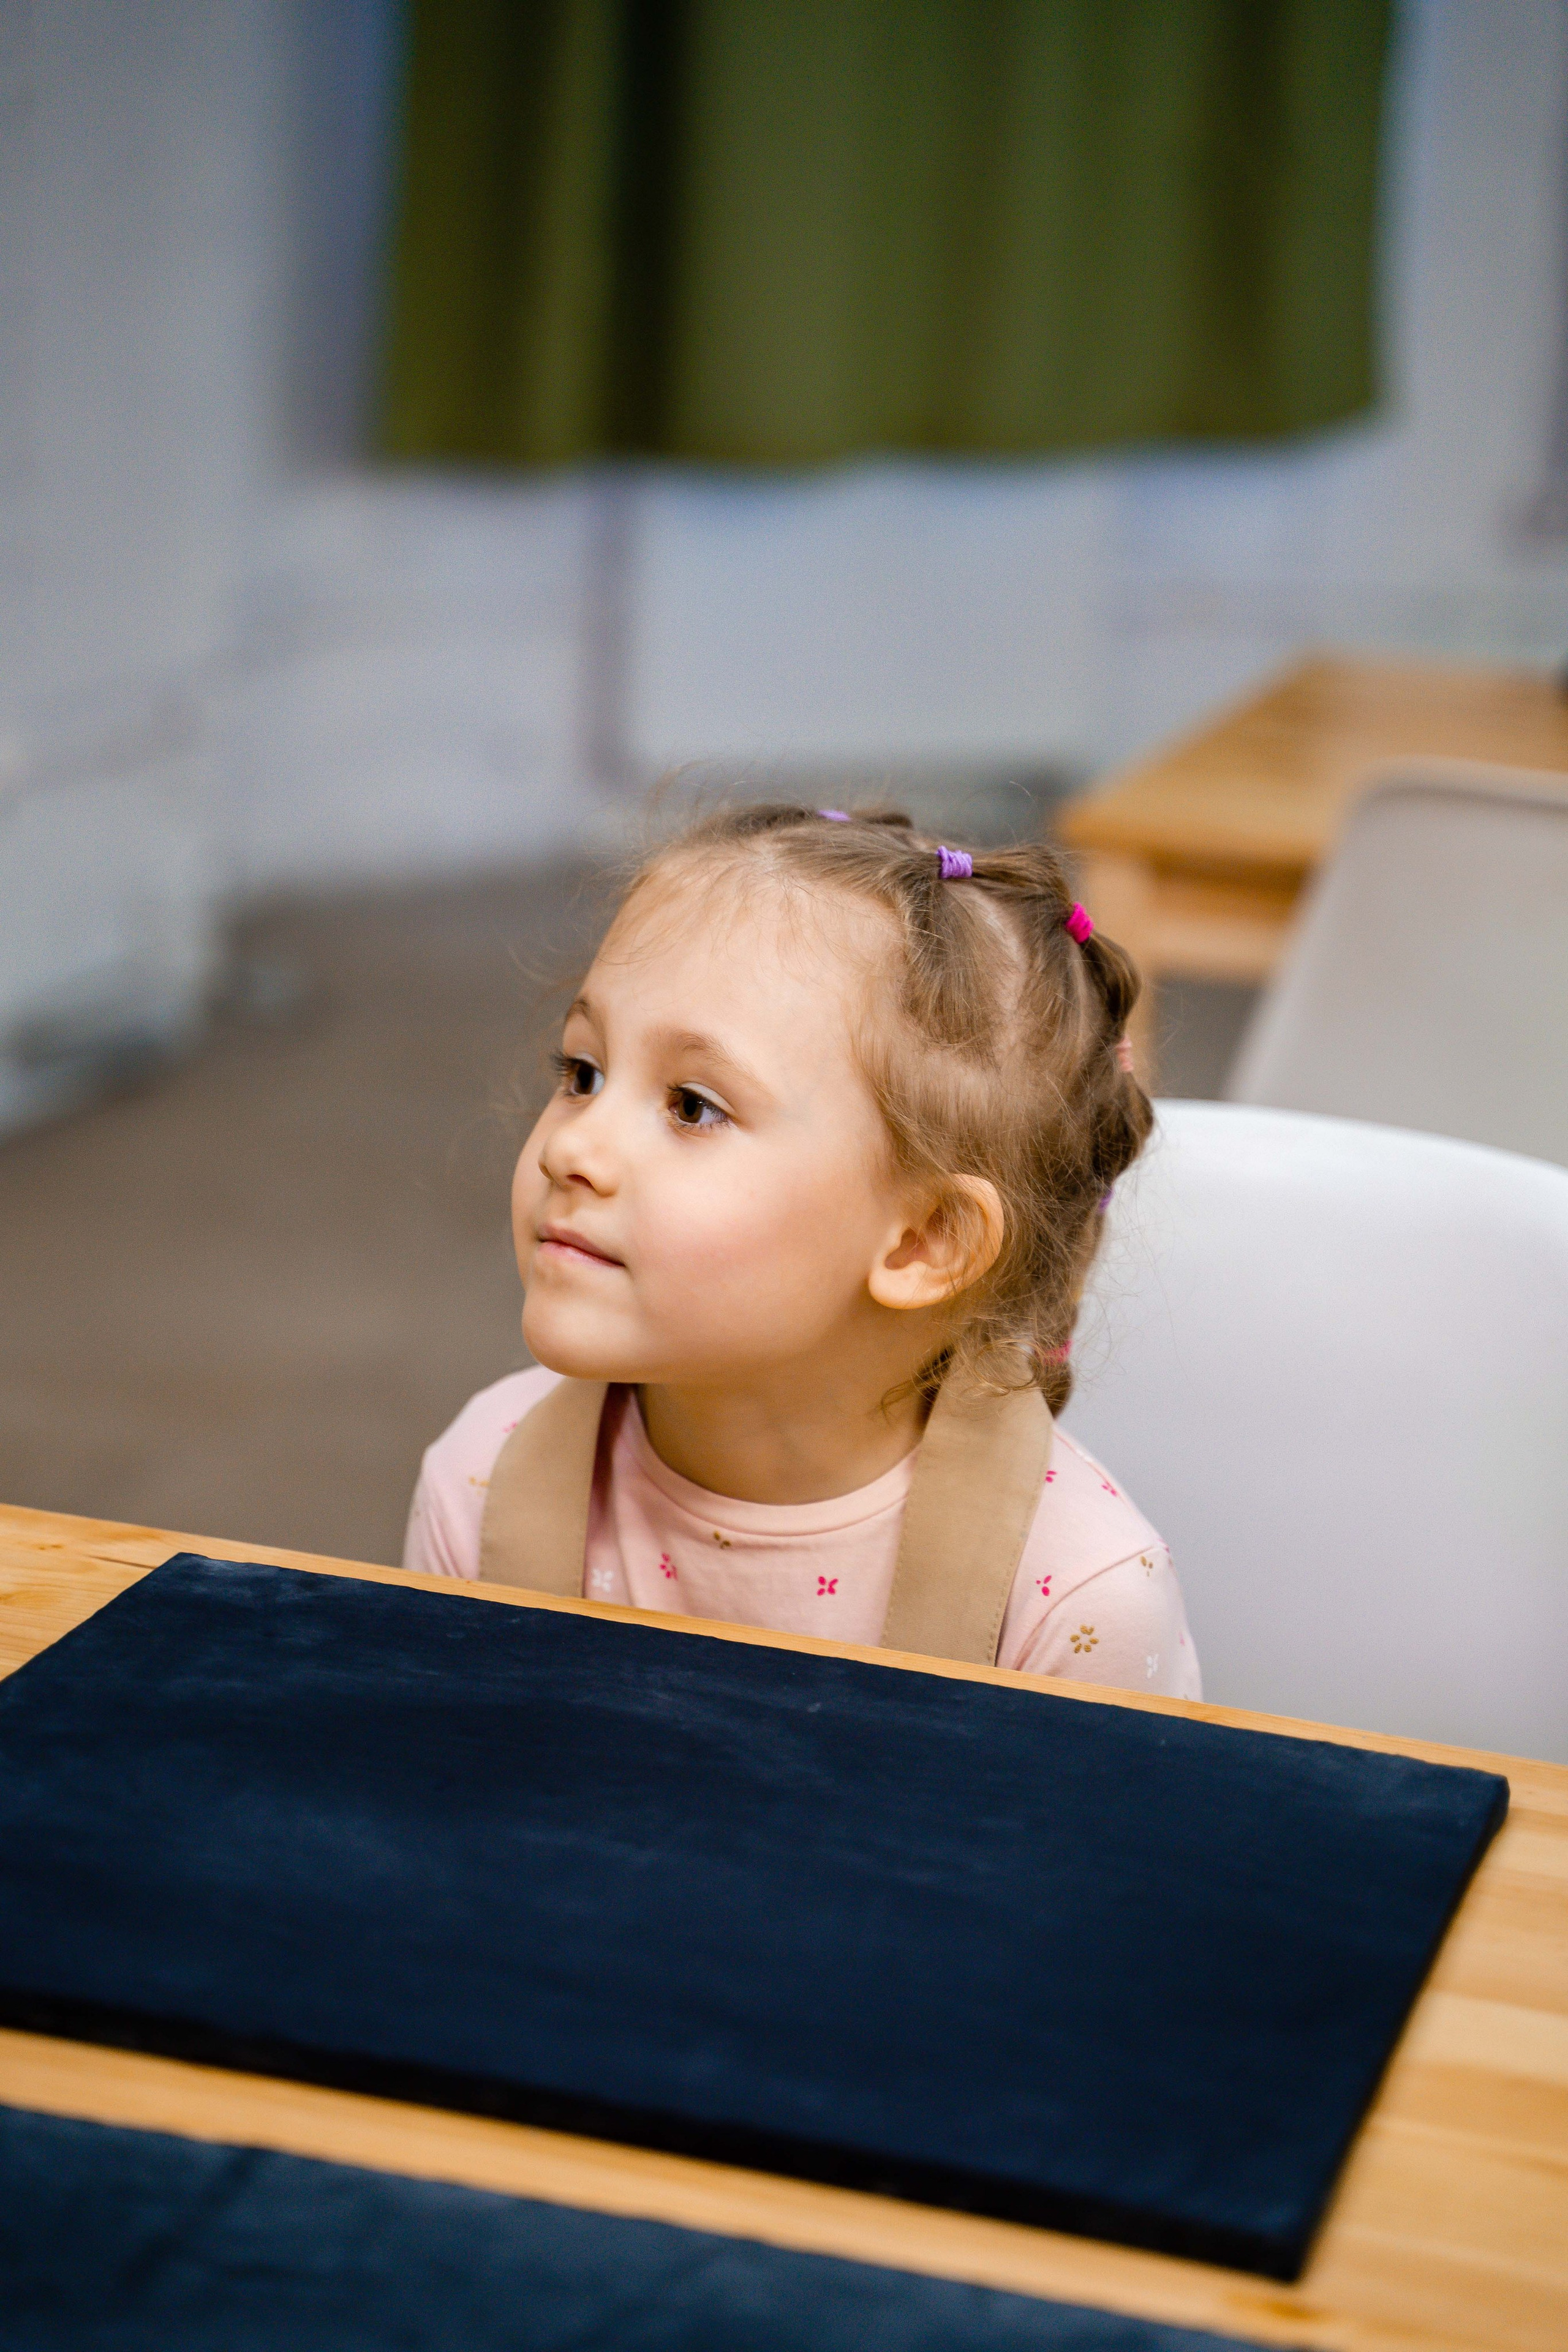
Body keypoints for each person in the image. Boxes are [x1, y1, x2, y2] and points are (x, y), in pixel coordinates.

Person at [403, 804, 1200, 1696]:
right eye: (582, 1074)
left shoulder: (1075, 1607)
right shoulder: (481, 1480)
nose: (568, 1149)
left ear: (925, 1240)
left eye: (692, 1107)